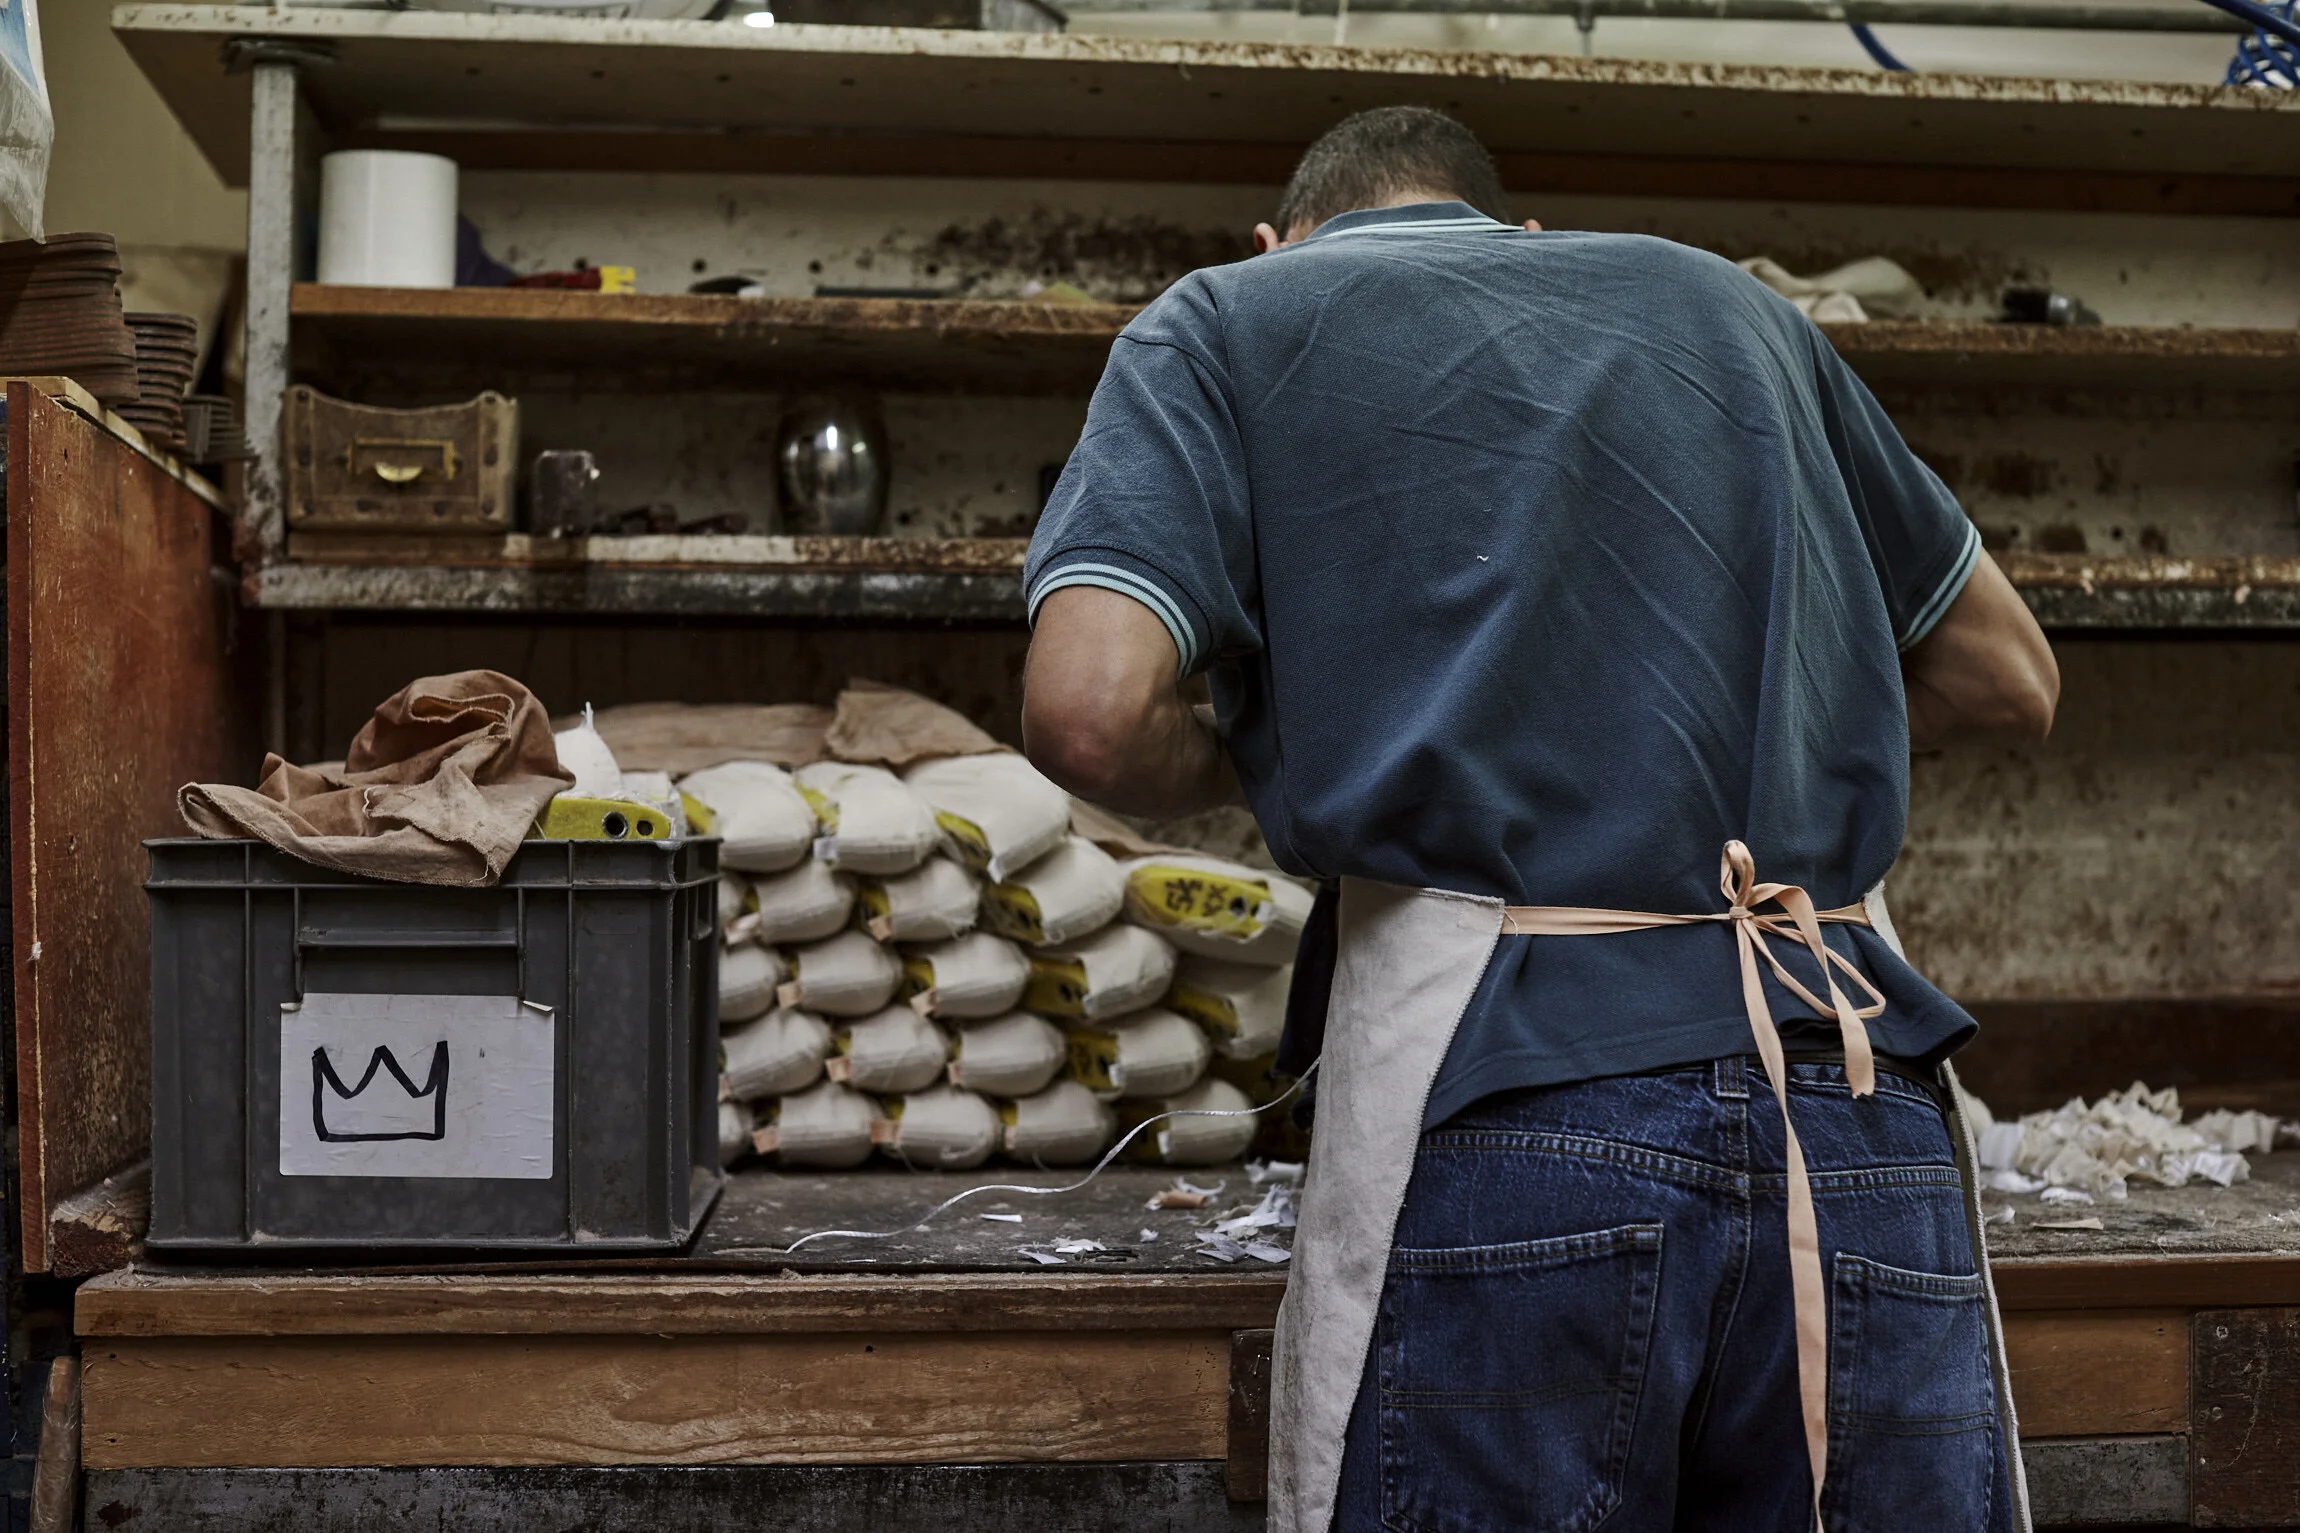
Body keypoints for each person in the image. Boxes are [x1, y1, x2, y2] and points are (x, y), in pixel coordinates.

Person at [1019, 105, 2058, 1533]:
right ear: (1523, 237)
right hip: (1858, 1105)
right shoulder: (1720, 300)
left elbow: (1084, 710)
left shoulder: (1223, 320)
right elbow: (2009, 679)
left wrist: (1257, 738)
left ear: (1279, 244)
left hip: (1516, 1106)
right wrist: (1797, 715)